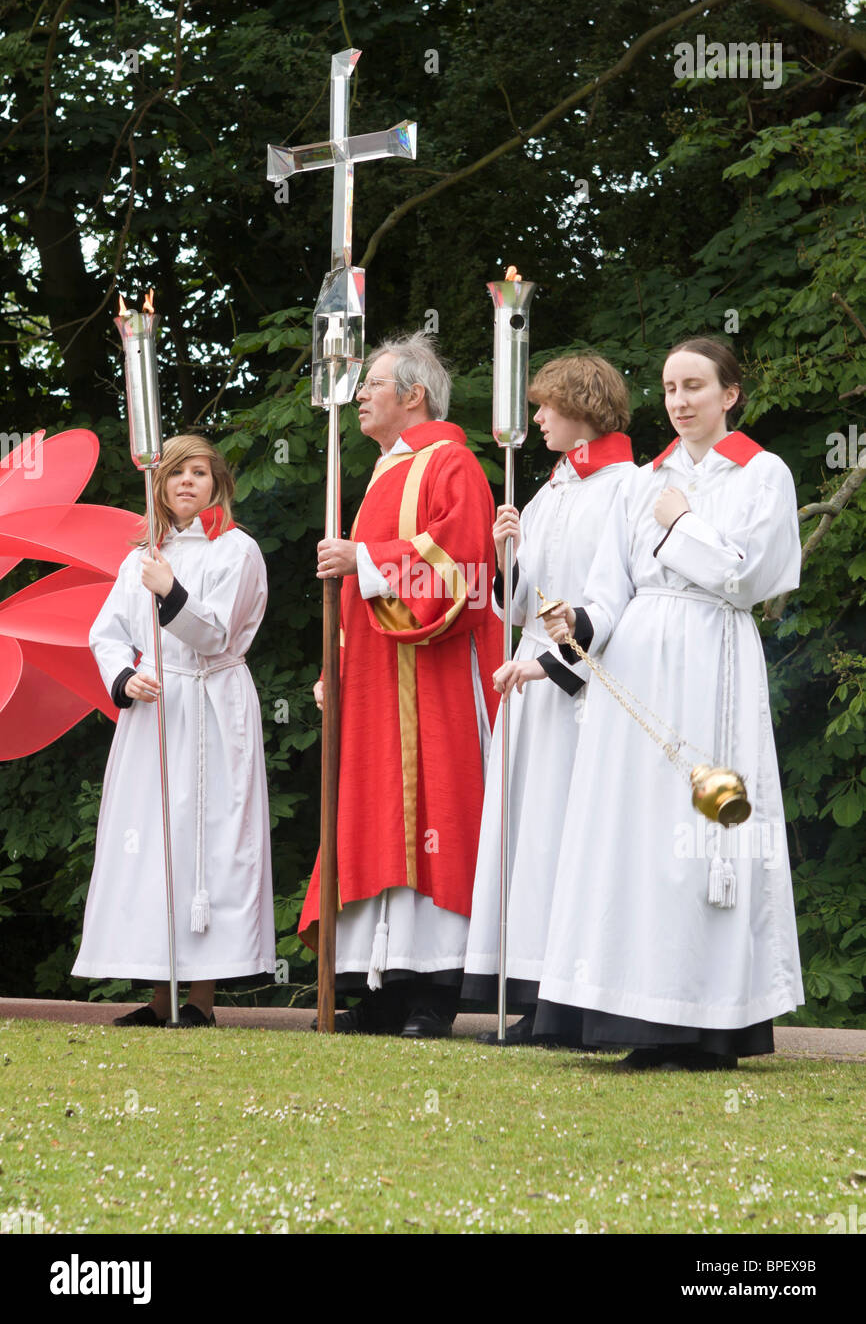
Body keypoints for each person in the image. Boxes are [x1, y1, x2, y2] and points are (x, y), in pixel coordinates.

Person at [518, 336, 803, 1070]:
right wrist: (580, 624)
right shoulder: (643, 481)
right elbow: (613, 584)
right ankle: (639, 1014)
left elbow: (747, 578)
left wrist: (681, 526)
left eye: (695, 387)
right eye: (671, 388)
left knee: (701, 831)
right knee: (633, 837)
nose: (679, 402)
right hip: (638, 667)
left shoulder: (762, 474)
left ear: (729, 395)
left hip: (711, 658)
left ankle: (707, 1022)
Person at [300, 332, 501, 1037]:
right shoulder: (386, 472)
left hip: (434, 673)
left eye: (374, 383)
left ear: (413, 394)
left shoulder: (452, 464)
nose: (359, 394)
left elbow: (466, 569)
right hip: (378, 680)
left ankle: (433, 991)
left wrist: (365, 558)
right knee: (381, 818)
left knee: (433, 816)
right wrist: (336, 669)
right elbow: (356, 601)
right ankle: (380, 987)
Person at [460, 354, 634, 1044]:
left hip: (584, 686)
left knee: (572, 835)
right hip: (529, 680)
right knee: (529, 839)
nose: (535, 420)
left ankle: (579, 998)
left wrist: (553, 663)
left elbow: (614, 601)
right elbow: (520, 605)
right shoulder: (548, 492)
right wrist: (508, 558)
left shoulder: (627, 487)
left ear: (584, 406)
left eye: (546, 407)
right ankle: (534, 991)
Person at [72, 435, 274, 1028]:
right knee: (153, 843)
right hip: (156, 708)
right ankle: (160, 995)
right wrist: (125, 675)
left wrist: (170, 590)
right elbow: (105, 632)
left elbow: (214, 634)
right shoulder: (143, 555)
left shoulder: (237, 551)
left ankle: (201, 1000)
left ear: (218, 485)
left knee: (205, 845)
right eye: (175, 473)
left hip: (212, 707)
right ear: (159, 487)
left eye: (199, 472)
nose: (187, 482)